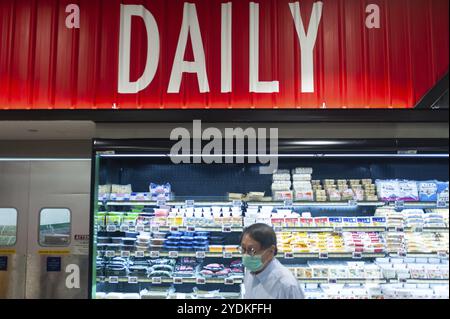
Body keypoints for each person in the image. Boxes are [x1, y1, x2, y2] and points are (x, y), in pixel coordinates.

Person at [240, 223, 304, 299]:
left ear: (270, 251)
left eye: (252, 250)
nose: (246, 255)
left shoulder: (287, 285)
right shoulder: (250, 271)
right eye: (243, 249)